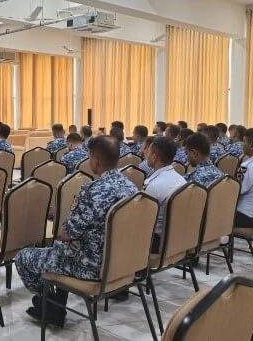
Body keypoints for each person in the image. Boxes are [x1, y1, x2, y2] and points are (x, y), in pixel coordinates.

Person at [15, 136, 138, 326]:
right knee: (61, 249)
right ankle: (55, 304)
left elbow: (67, 234)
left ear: (96, 160)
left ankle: (49, 304)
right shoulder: (131, 188)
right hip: (120, 263)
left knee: (24, 256)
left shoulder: (92, 190)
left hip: (90, 267)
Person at [144, 137, 186, 241]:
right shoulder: (182, 180)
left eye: (148, 152)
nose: (146, 156)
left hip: (157, 241)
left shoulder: (154, 185)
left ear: (154, 157)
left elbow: (144, 219)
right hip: (179, 237)